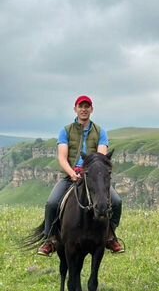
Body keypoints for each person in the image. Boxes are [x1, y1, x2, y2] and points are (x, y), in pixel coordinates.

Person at [37, 95, 125, 256]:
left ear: (91, 109)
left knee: (117, 202)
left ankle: (110, 236)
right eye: (81, 106)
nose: (84, 109)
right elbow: (62, 157)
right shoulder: (65, 131)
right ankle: (50, 240)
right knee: (52, 203)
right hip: (70, 176)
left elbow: (101, 156)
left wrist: (89, 173)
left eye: (87, 106)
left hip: (92, 177)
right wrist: (72, 173)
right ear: (75, 109)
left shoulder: (100, 131)